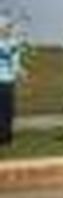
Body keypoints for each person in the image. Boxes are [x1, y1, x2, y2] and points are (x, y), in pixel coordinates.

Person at [0, 13, 23, 146]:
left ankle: (7, 139)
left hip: (8, 82)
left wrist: (20, 72)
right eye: (5, 27)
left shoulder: (13, 44)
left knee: (8, 111)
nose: (7, 30)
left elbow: (15, 63)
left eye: (9, 27)